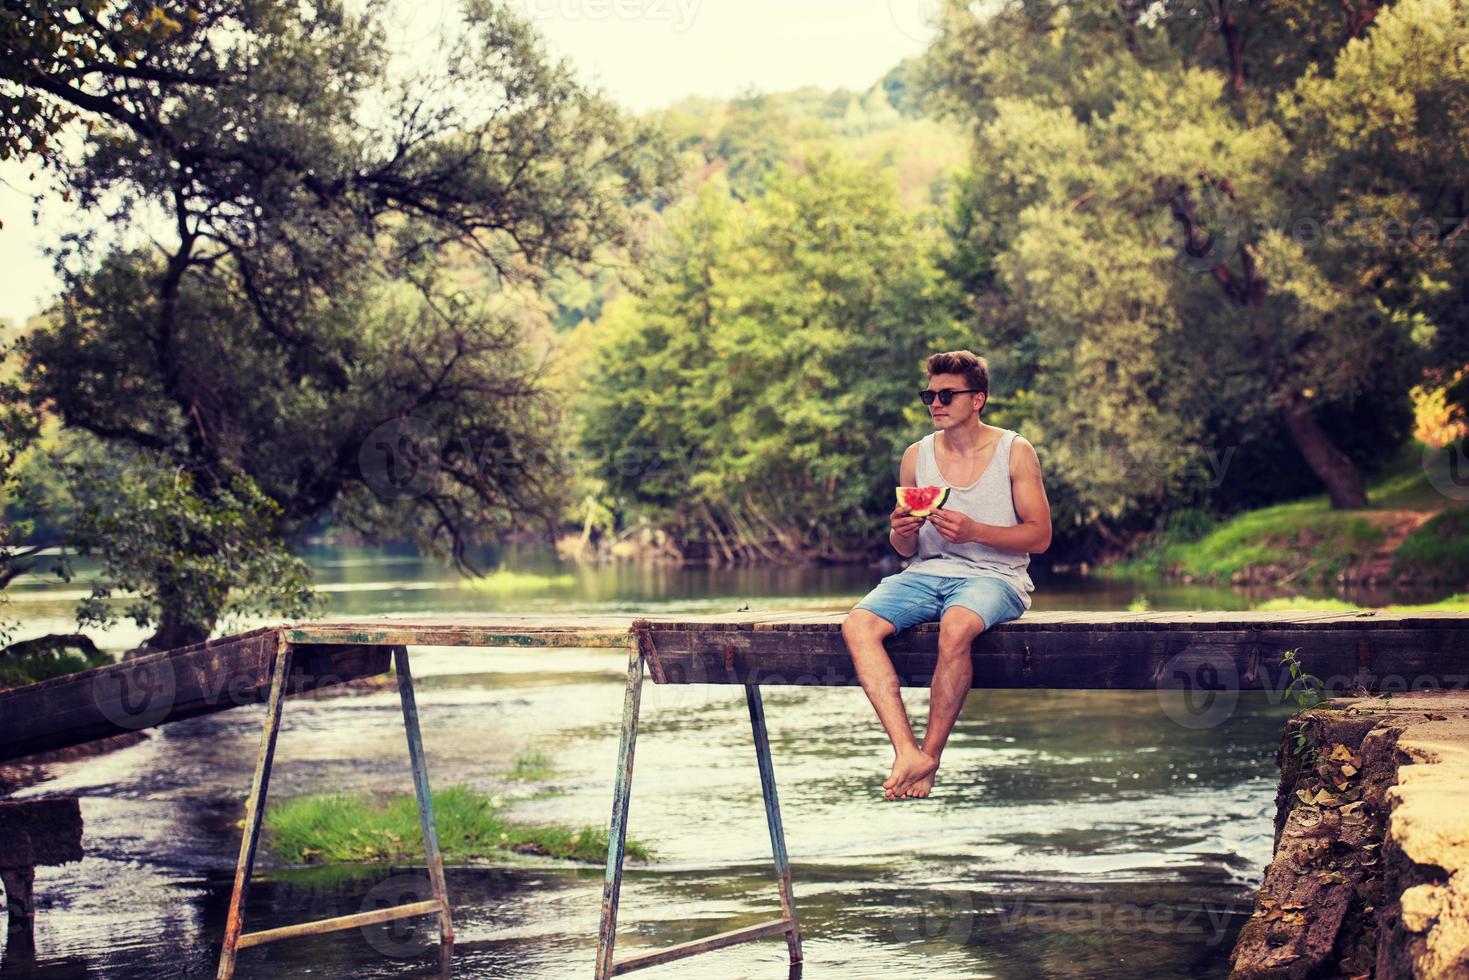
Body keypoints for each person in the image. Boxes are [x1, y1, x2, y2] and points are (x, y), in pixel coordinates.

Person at [841, 350, 1052, 801]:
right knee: (857, 625)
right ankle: (905, 751)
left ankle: (930, 755)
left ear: (977, 399)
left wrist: (977, 531)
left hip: (997, 577)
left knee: (956, 628)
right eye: (929, 395)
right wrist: (900, 532)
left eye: (946, 394)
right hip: (927, 573)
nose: (935, 403)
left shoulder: (1015, 451)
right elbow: (905, 549)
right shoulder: (916, 456)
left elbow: (1040, 537)